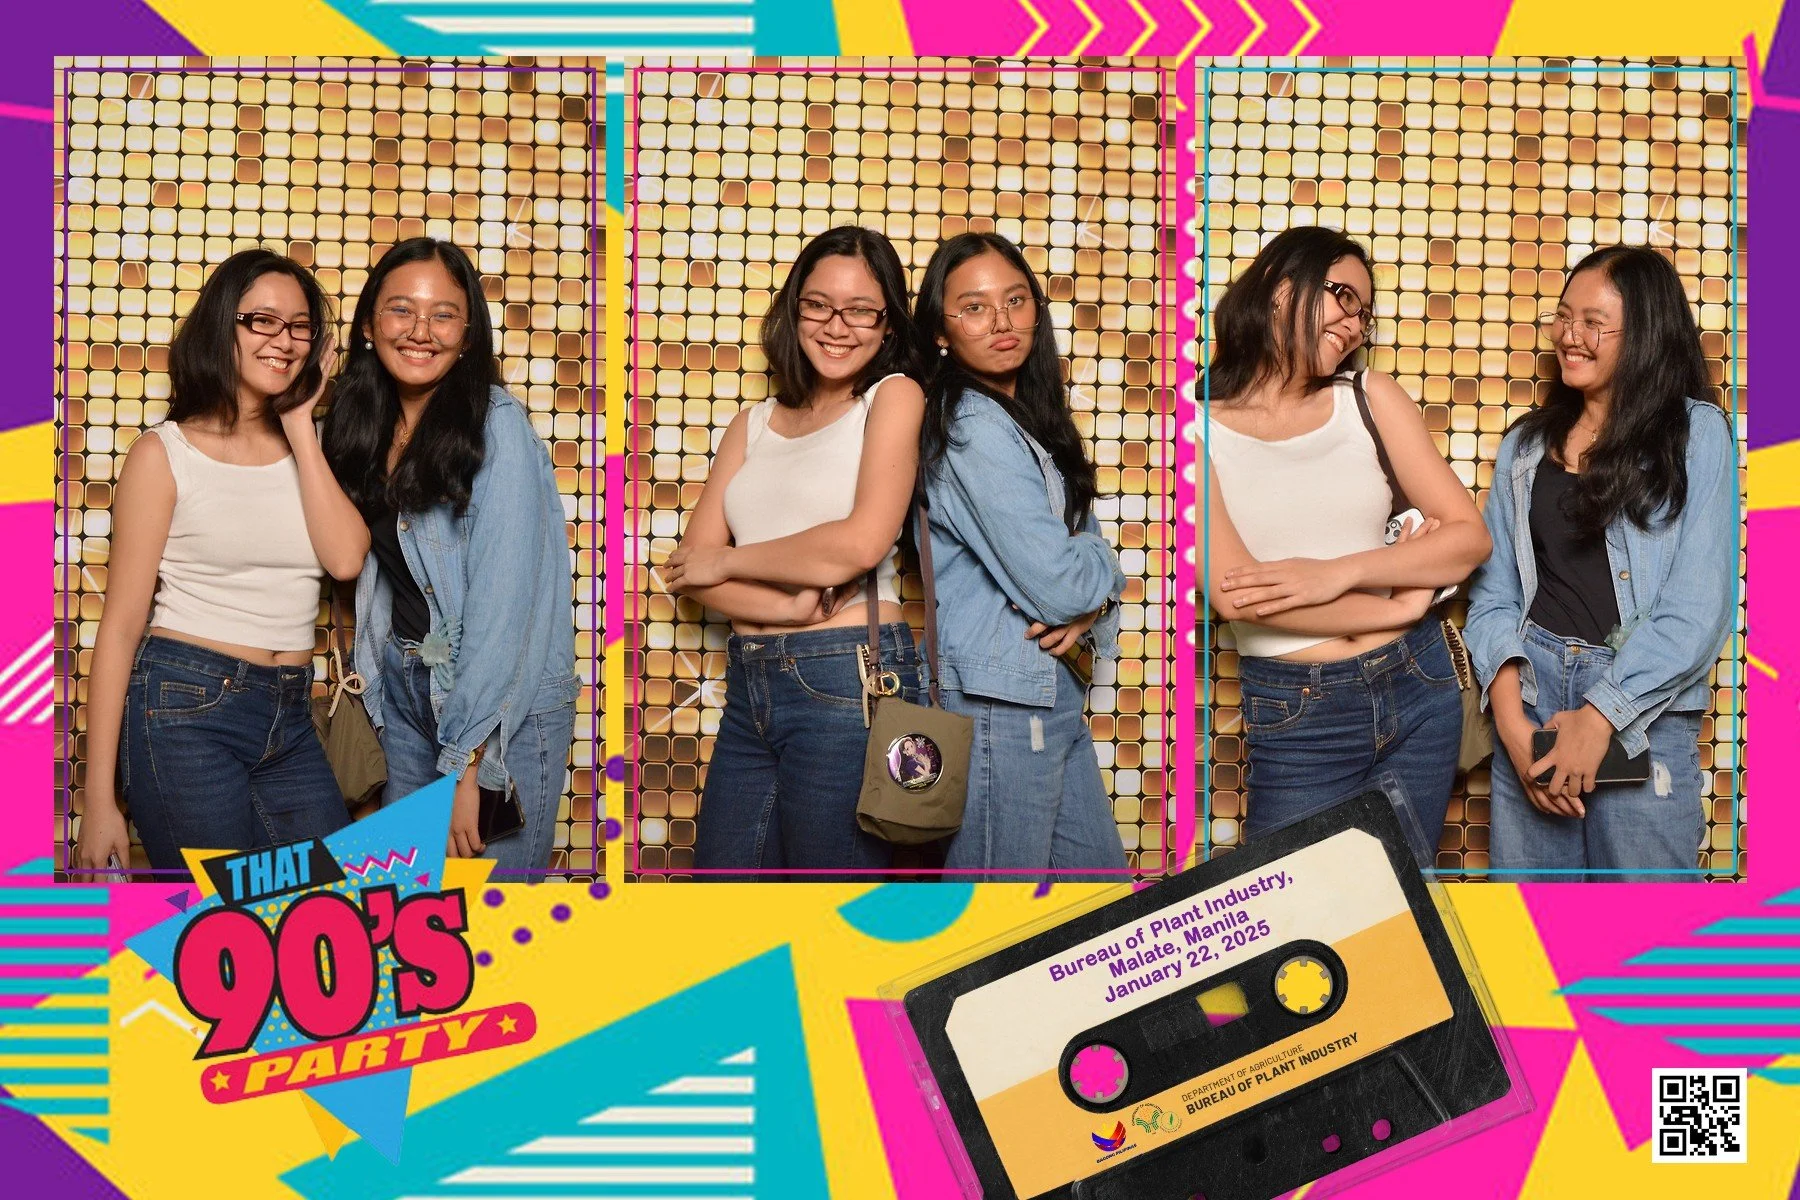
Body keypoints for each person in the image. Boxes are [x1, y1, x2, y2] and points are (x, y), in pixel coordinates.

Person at [1200, 226, 1491, 864]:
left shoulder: (1369, 398)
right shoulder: (1194, 430)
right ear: (1280, 288)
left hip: (1420, 688)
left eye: (1364, 312)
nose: (1355, 324)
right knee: (1291, 917)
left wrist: (1338, 572)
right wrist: (1398, 606)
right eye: (1343, 297)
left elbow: (1469, 537)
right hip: (1299, 709)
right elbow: (1239, 596)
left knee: (1401, 913)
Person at [75, 249, 368, 875]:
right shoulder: (167, 453)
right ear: (221, 327)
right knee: (215, 932)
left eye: (299, 326)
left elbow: (345, 560)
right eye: (261, 320)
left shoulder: (311, 448)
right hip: (185, 707)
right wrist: (98, 799)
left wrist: (299, 425)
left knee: (332, 909)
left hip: (289, 710)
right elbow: (121, 628)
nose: (282, 340)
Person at [660, 225, 927, 879]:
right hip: (753, 677)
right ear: (793, 308)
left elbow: (861, 541)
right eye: (819, 305)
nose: (838, 326)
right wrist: (797, 598)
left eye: (861, 310)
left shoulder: (891, 398)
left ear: (887, 322)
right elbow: (686, 567)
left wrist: (730, 562)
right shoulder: (753, 423)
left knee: (827, 901)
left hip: (849, 677)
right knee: (726, 890)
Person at [1464, 245, 1736, 881]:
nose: (1571, 336)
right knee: (1534, 939)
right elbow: (1495, 591)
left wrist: (1600, 715)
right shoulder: (1525, 446)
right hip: (1532, 697)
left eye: (1594, 322)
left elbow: (1700, 606)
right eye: (1564, 317)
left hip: (1641, 708)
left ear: (1642, 334)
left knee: (1647, 944)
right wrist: (1510, 722)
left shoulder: (1696, 435)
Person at [323, 238, 577, 879]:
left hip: (496, 708)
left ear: (467, 334)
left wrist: (471, 762)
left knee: (489, 913)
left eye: (443, 314)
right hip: (407, 689)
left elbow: (504, 608)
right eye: (400, 310)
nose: (420, 331)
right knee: (410, 915)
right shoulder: (362, 424)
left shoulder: (498, 428)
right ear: (368, 324)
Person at [912, 231, 1128, 880]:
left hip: (1042, 692)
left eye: (1015, 300)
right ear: (941, 330)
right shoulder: (972, 424)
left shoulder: (1023, 418)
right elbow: (1062, 585)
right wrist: (1104, 566)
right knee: (993, 924)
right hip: (999, 703)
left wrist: (1090, 610)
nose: (1002, 321)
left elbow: (1068, 591)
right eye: (974, 307)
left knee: (1097, 907)